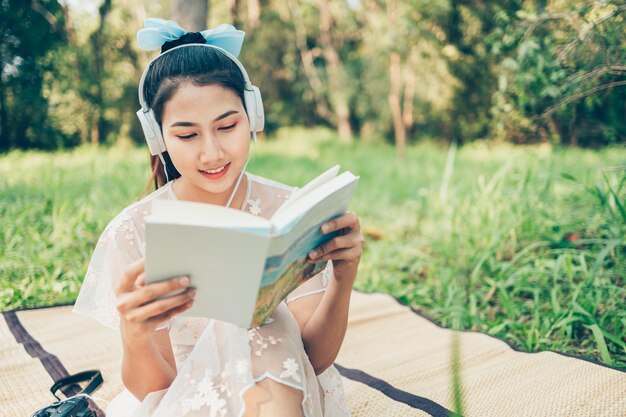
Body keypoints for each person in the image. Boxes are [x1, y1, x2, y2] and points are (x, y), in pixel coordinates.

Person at [73, 18, 363, 417]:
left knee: (267, 325)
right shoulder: (135, 230)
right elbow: (153, 389)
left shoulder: (287, 207)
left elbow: (312, 358)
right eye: (187, 135)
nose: (212, 153)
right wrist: (134, 332)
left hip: (281, 384)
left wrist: (343, 281)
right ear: (157, 137)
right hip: (187, 399)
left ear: (252, 117)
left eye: (227, 126)